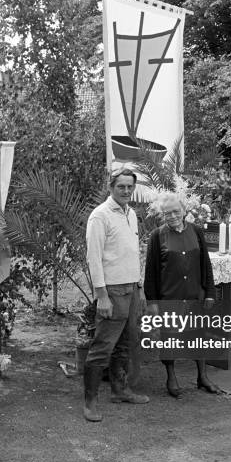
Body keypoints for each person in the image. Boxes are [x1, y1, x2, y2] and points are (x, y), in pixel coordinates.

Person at [83, 167, 149, 422]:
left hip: (131, 289)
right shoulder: (99, 216)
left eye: (129, 187)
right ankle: (89, 403)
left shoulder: (131, 213)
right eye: (121, 186)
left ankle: (120, 391)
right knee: (102, 347)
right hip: (112, 291)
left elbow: (133, 254)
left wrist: (140, 288)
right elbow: (94, 259)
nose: (126, 191)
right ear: (111, 187)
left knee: (124, 345)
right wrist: (101, 296)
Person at [144, 192, 221, 398]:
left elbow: (206, 264)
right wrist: (152, 302)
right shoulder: (157, 236)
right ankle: (171, 376)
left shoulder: (196, 231)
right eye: (167, 213)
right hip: (170, 297)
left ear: (184, 211)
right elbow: (150, 272)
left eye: (176, 211)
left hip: (196, 295)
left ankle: (202, 377)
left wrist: (210, 293)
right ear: (162, 215)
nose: (172, 216)